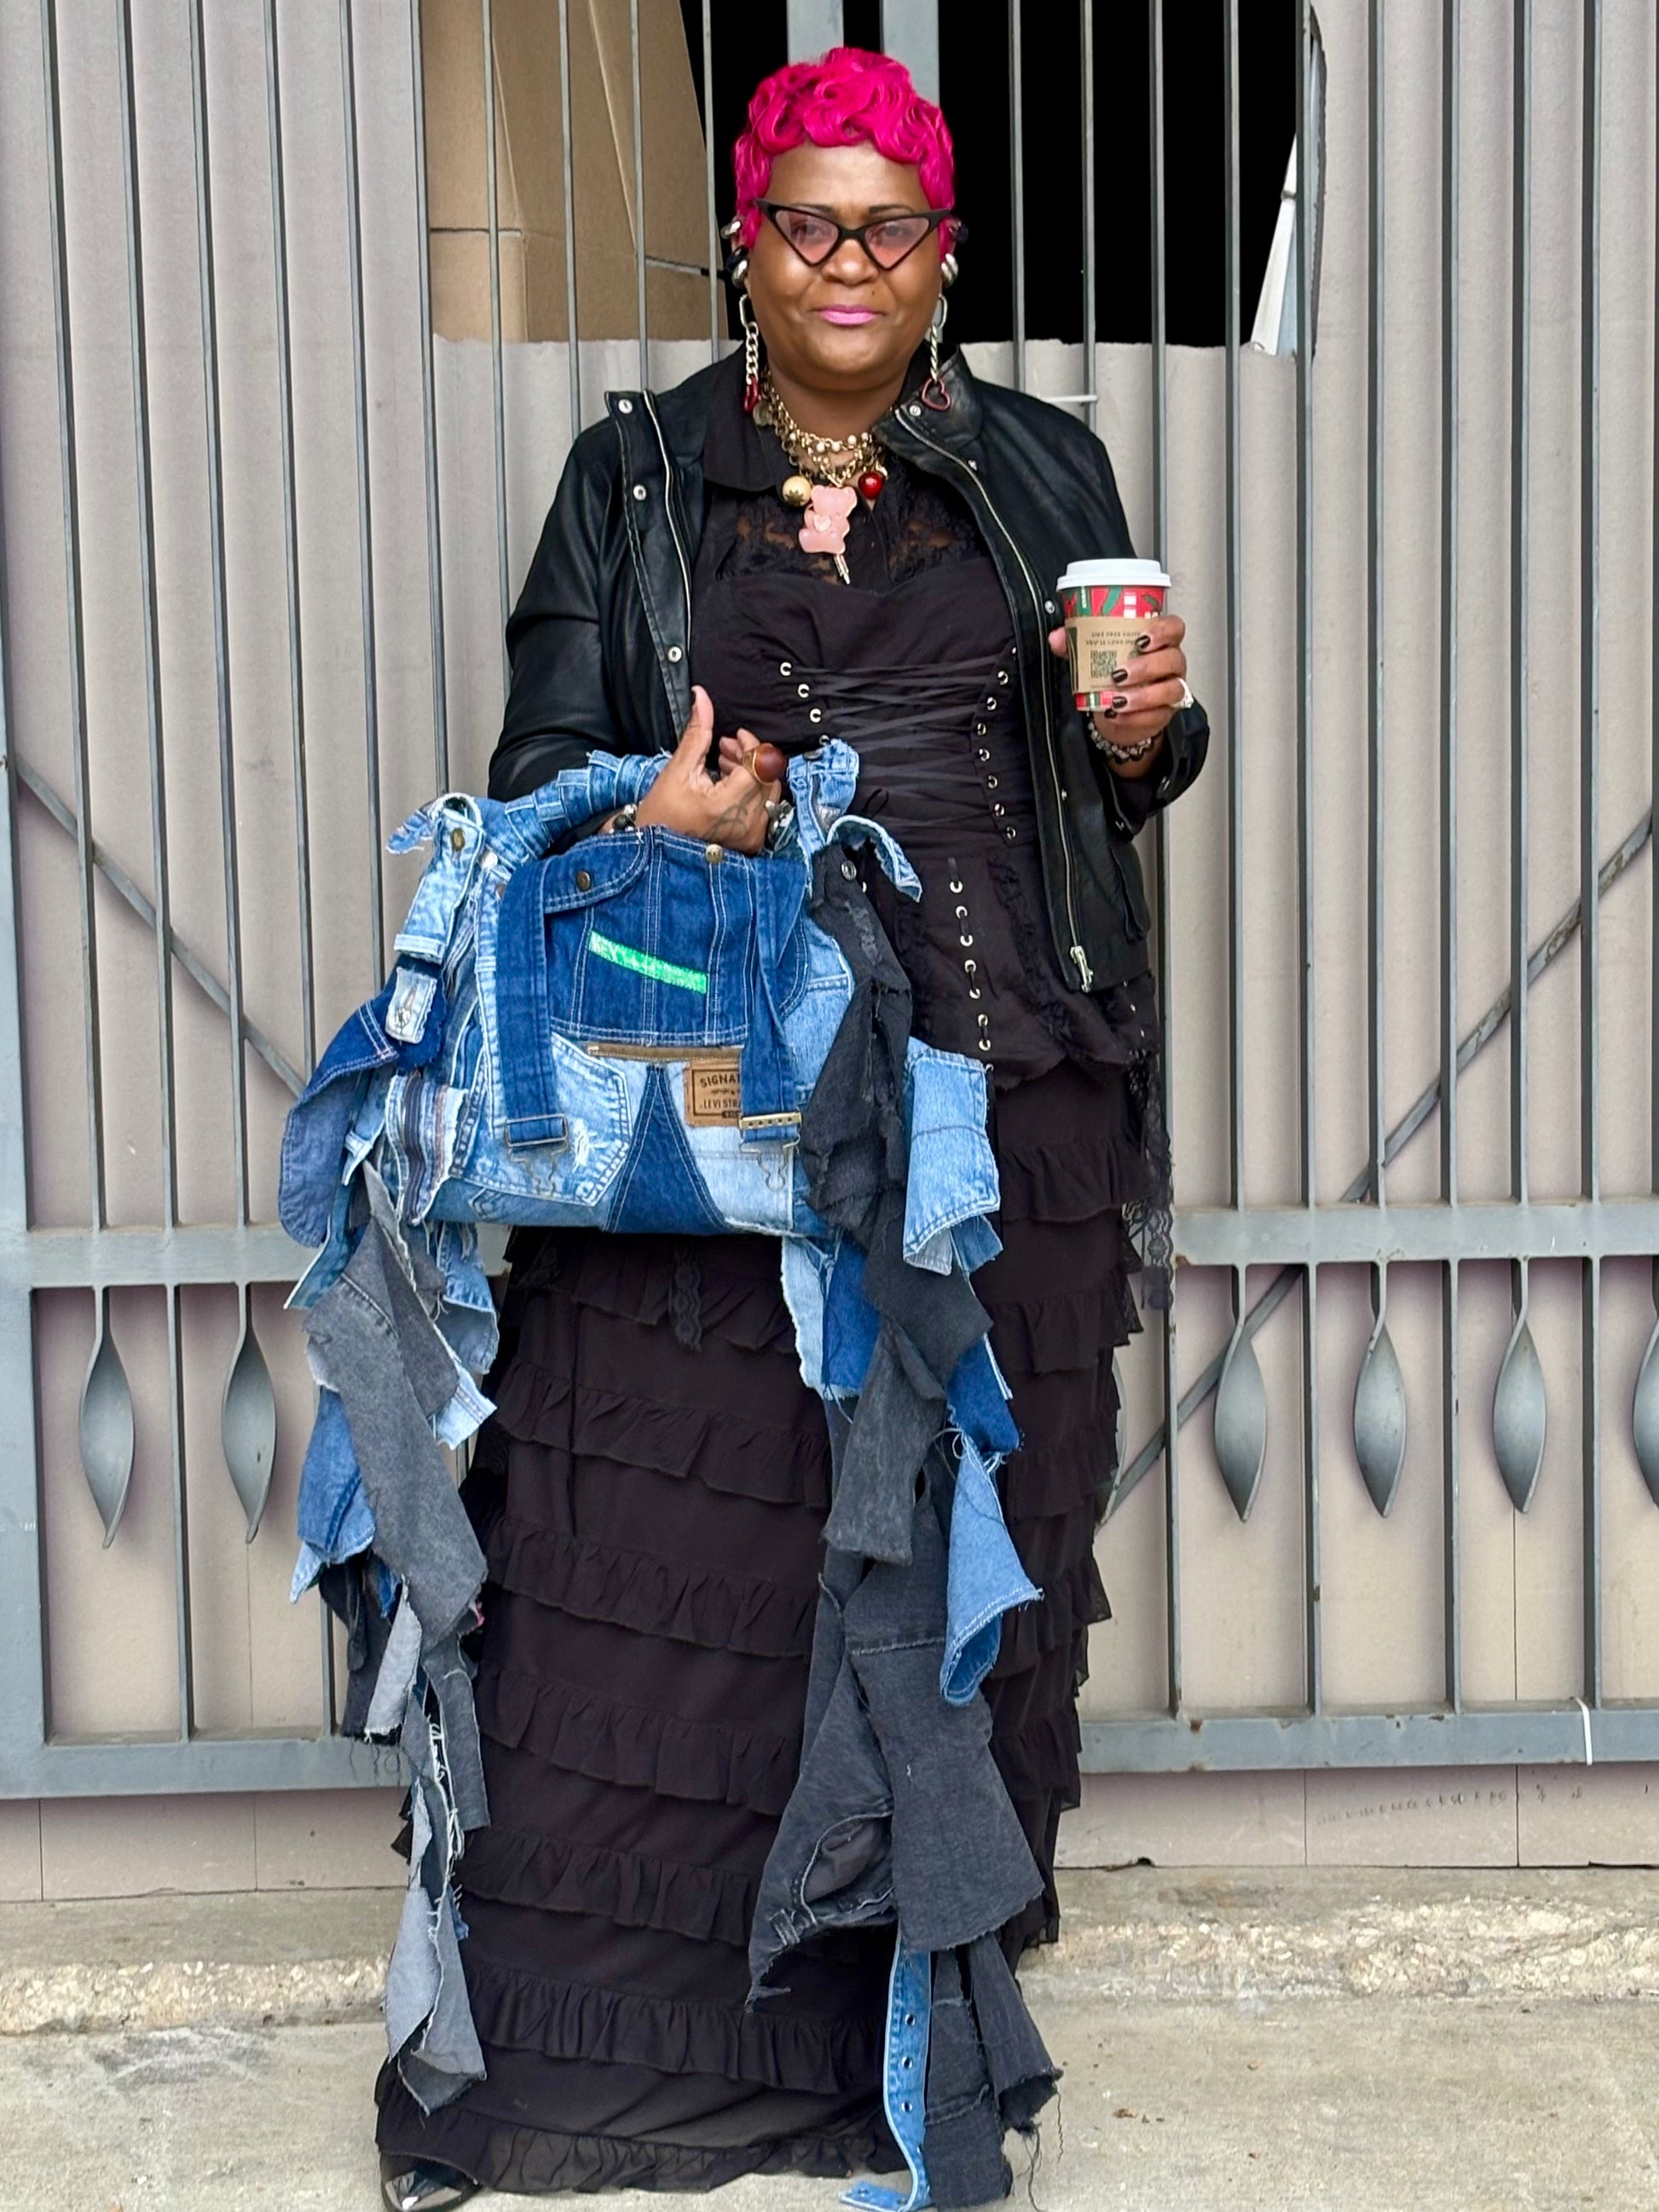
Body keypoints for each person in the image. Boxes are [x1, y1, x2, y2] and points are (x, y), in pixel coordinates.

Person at [376, 45, 1206, 2210]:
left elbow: (1091, 775)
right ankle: (664, 2036)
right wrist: (653, 808)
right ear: (746, 244)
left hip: (1004, 1085)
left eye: (892, 227)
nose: (850, 263)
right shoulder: (637, 475)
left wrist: (1142, 732)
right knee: (714, 1551)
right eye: (807, 224)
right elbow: (543, 755)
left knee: (958, 1556)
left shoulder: (1041, 465)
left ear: (947, 256)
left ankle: (915, 2025)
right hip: (736, 1087)